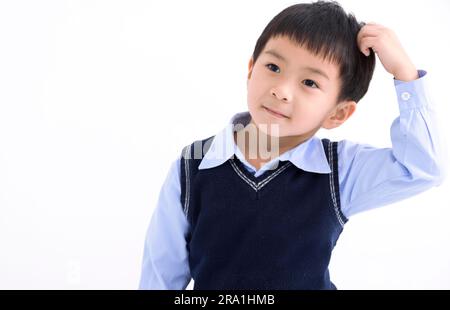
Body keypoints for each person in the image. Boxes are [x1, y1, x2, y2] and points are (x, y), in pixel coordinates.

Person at [139, 0, 446, 289]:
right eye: (273, 67)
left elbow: (422, 170)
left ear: (338, 113)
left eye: (310, 83)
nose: (281, 90)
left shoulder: (340, 171)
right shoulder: (193, 164)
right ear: (250, 69)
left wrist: (406, 76)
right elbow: (161, 274)